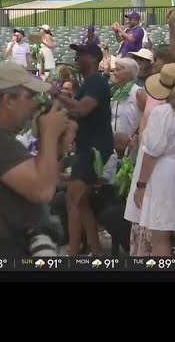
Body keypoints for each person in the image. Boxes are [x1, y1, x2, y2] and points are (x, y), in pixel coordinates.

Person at [0, 62, 70, 257]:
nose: (35, 104)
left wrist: (56, 147)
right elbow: (41, 191)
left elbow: (44, 180)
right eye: (29, 97)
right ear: (8, 100)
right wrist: (50, 134)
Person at [134, 63, 175, 256]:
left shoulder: (161, 113)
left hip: (164, 173)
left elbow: (152, 151)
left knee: (160, 236)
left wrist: (141, 184)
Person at [54, 42, 114, 256]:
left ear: (94, 58)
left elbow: (83, 109)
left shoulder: (96, 81)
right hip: (85, 148)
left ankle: (72, 254)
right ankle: (96, 250)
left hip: (95, 150)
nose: (77, 57)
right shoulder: (87, 83)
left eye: (81, 54)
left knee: (74, 197)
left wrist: (57, 96)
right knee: (81, 201)